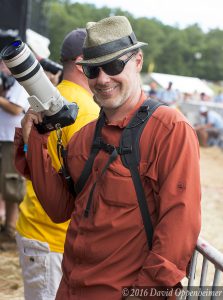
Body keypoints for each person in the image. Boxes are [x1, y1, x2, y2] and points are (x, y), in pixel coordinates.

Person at [14, 16, 201, 300]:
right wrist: (35, 140)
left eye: (114, 65)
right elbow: (60, 210)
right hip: (70, 289)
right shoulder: (85, 137)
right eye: (93, 69)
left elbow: (180, 225)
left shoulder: (169, 130)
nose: (102, 79)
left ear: (138, 61)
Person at [15, 29, 99, 300]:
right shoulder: (86, 111)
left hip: (39, 231)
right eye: (98, 57)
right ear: (81, 62)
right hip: (53, 238)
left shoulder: (52, 98)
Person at [0, 60, 29, 246]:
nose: (2, 66)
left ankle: (12, 230)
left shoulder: (20, 82)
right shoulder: (7, 82)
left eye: (5, 63)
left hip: (12, 140)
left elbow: (16, 108)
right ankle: (8, 228)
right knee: (6, 185)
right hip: (4, 139)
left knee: (13, 186)